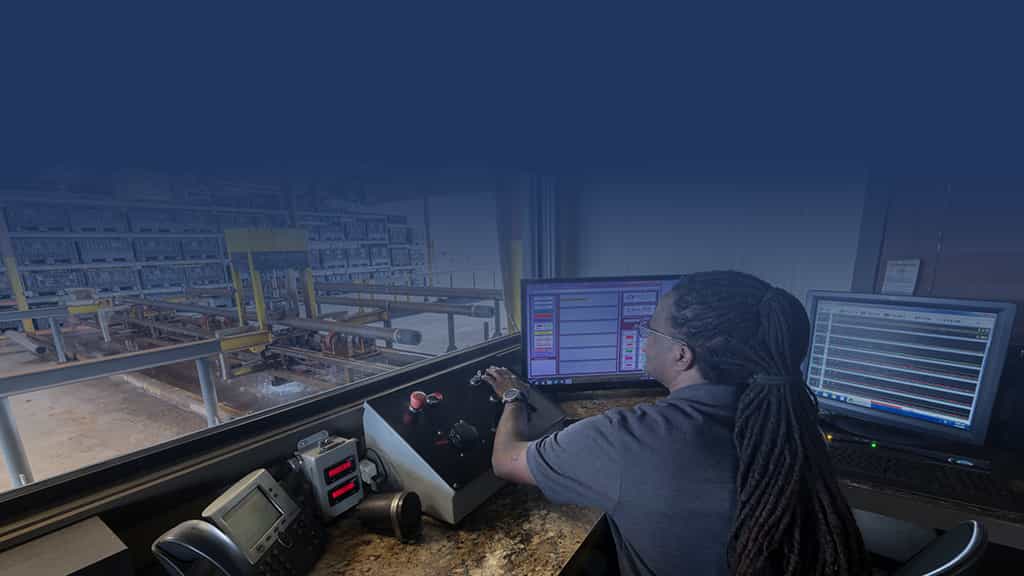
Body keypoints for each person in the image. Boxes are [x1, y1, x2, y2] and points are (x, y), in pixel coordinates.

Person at [483, 270, 868, 576]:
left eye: (651, 329)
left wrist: (513, 396)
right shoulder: (789, 421)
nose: (644, 340)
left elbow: (506, 460)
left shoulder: (625, 439)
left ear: (682, 355)